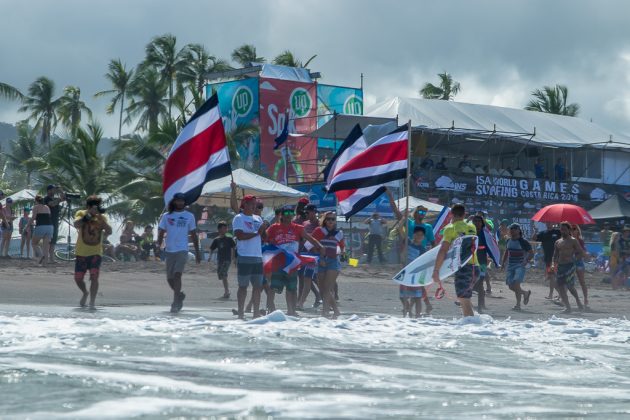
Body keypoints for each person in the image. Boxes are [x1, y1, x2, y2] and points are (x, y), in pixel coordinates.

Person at [265, 205, 323, 316]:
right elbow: (264, 237)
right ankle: (270, 309)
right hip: (278, 262)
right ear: (281, 215)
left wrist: (320, 246)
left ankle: (291, 311)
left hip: (292, 263)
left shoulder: (298, 228)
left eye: (291, 213)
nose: (289, 215)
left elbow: (310, 238)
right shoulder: (274, 227)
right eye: (286, 213)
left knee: (291, 288)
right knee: (273, 287)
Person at [432, 204, 479, 317]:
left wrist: (436, 270)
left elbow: (443, 250)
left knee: (463, 299)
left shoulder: (450, 229)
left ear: (451, 214)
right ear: (464, 214)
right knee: (464, 298)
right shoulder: (472, 227)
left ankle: (472, 327)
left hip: (464, 268)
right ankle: (477, 321)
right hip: (475, 268)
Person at [157, 193, 201, 313]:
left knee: (177, 275)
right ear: (174, 202)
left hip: (182, 250)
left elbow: (193, 234)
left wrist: (197, 252)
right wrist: (158, 245)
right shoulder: (167, 216)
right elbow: (161, 232)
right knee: (169, 279)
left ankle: (175, 302)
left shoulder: (189, 216)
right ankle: (180, 295)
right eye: (178, 201)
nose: (180, 203)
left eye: (182, 201)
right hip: (169, 250)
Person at [73, 196, 113, 308]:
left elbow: (109, 231)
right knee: (78, 278)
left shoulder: (102, 217)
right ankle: (85, 292)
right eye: (92, 207)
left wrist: (100, 218)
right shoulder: (81, 213)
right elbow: (76, 224)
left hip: (96, 252)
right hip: (81, 252)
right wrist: (88, 215)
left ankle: (92, 302)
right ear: (88, 207)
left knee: (94, 277)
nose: (95, 209)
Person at [232, 195, 265, 319]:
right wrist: (257, 232)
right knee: (243, 286)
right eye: (251, 203)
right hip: (245, 256)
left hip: (257, 256)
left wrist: (264, 228)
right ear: (244, 204)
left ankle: (255, 313)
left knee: (257, 286)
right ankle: (241, 313)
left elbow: (263, 236)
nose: (254, 206)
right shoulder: (238, 218)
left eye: (255, 204)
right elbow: (239, 236)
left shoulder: (258, 218)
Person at [312, 211, 345, 319]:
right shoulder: (319, 231)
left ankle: (326, 311)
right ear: (324, 220)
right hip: (320, 260)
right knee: (322, 288)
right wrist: (320, 257)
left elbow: (342, 247)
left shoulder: (338, 233)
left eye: (333, 219)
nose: (330, 221)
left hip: (333, 261)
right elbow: (311, 245)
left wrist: (342, 252)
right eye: (328, 219)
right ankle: (334, 311)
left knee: (327, 287)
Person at [551, 222, 585, 313]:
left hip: (570, 265)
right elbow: (555, 255)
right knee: (560, 286)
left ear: (569, 230)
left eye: (565, 229)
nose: (563, 231)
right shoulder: (558, 242)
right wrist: (553, 265)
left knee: (570, 286)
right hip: (561, 266)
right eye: (561, 229)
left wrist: (575, 260)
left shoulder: (573, 240)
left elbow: (581, 252)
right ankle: (568, 307)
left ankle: (578, 300)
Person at [501, 223, 534, 311]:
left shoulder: (523, 242)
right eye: (511, 228)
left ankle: (518, 305)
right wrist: (503, 263)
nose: (512, 230)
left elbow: (531, 253)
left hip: (520, 265)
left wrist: (526, 260)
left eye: (514, 228)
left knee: (516, 284)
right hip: (510, 265)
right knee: (511, 286)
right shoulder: (508, 241)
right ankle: (525, 293)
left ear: (519, 230)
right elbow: (507, 252)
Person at [297, 203, 323, 310]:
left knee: (316, 279)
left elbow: (319, 240)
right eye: (305, 212)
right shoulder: (305, 223)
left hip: (314, 255)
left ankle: (327, 298)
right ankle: (314, 297)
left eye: (308, 212)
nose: (306, 213)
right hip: (303, 253)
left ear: (314, 212)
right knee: (303, 278)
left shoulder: (319, 224)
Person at [400, 225, 429, 318]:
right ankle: (408, 308)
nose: (419, 237)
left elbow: (424, 264)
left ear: (423, 237)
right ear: (414, 235)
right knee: (402, 296)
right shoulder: (408, 242)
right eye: (417, 234)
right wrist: (403, 219)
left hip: (416, 275)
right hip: (405, 273)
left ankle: (417, 317)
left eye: (421, 235)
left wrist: (422, 278)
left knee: (417, 297)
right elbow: (400, 229)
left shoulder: (422, 249)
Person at [533, 223, 562, 300]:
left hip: (556, 258)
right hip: (548, 259)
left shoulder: (557, 232)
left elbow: (564, 238)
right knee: (550, 277)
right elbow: (534, 238)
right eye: (548, 221)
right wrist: (535, 231)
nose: (549, 223)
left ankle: (553, 294)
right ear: (546, 223)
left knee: (552, 276)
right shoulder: (543, 233)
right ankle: (559, 294)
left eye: (550, 221)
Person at [209, 221, 236, 299]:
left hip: (227, 259)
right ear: (219, 229)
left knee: (223, 274)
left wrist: (233, 258)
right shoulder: (216, 240)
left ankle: (227, 291)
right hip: (220, 259)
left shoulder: (229, 239)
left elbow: (233, 248)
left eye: (226, 228)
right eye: (224, 228)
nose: (226, 230)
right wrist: (210, 256)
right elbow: (212, 248)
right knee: (221, 274)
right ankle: (226, 290)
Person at [471, 215, 490, 312]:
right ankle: (474, 304)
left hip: (482, 261)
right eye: (475, 221)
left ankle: (480, 306)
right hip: (471, 260)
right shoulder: (470, 232)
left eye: (479, 221)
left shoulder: (485, 233)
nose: (477, 223)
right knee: (472, 282)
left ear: (482, 223)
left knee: (480, 282)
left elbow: (490, 246)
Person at [44, 185, 65, 263]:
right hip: (49, 222)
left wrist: (61, 191)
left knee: (53, 241)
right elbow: (51, 204)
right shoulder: (46, 199)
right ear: (48, 191)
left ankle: (52, 259)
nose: (53, 191)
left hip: (55, 221)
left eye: (54, 190)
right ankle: (46, 258)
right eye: (52, 190)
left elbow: (63, 198)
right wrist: (59, 199)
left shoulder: (56, 198)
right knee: (48, 241)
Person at [29, 195, 53, 265]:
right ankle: (45, 263)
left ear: (36, 201)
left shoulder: (36, 207)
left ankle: (41, 255)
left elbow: (33, 217)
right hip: (50, 227)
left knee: (34, 243)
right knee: (46, 246)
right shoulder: (47, 207)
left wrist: (27, 226)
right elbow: (47, 218)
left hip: (41, 227)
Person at [571, 224, 590, 308]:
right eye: (571, 229)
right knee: (569, 282)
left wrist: (576, 257)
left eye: (574, 229)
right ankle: (562, 298)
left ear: (578, 230)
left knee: (582, 281)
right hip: (571, 262)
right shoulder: (568, 240)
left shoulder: (580, 241)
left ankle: (585, 298)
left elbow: (582, 253)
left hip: (578, 262)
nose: (572, 230)